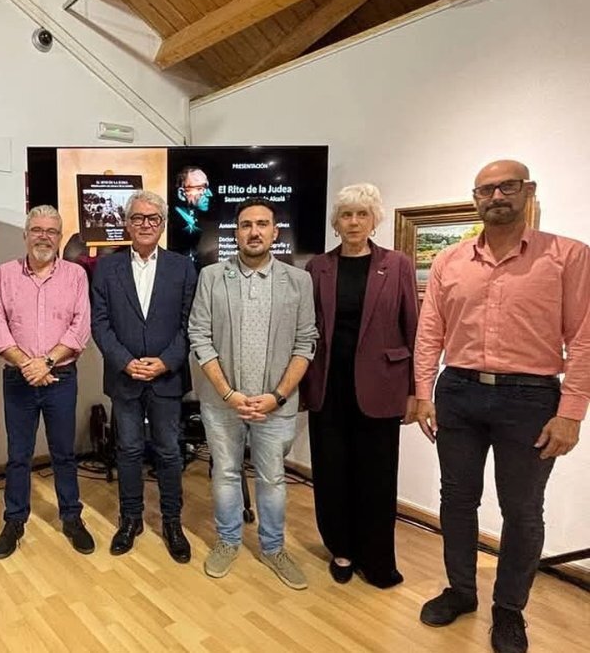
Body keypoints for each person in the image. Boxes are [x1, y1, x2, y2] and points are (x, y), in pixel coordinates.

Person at [415, 160, 589, 653]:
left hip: (532, 398)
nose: (497, 196)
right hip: (460, 392)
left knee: (523, 511)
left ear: (527, 191)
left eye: (507, 186)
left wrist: (571, 411)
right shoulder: (450, 261)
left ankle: (509, 610)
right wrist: (422, 392)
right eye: (486, 189)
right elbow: (431, 332)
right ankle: (460, 591)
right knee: (456, 499)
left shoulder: (568, 256)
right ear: (476, 199)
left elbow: (584, 337)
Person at [188, 198, 317, 587]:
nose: (255, 231)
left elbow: (305, 342)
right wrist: (229, 394)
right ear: (236, 233)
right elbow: (200, 335)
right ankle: (227, 541)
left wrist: (276, 396)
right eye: (246, 225)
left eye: (263, 224)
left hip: (275, 405)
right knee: (225, 473)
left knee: (273, 478)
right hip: (222, 401)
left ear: (275, 232)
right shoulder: (211, 277)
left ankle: (274, 548)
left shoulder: (299, 282)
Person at [300, 183, 418, 588]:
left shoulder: (397, 264)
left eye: (361, 215)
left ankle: (378, 558)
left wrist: (418, 392)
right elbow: (307, 330)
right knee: (332, 473)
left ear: (374, 220)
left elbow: (413, 327)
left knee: (378, 476)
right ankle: (342, 550)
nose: (353, 222)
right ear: (337, 222)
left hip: (382, 387)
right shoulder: (318, 267)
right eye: (346, 215)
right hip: (328, 388)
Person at [90, 190, 197, 562]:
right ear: (126, 223)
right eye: (138, 218)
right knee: (129, 450)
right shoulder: (107, 267)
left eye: (153, 219)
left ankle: (171, 522)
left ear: (163, 224)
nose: (145, 224)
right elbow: (99, 323)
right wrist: (124, 361)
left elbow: (190, 325)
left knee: (169, 452)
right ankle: (130, 518)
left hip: (167, 377)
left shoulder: (183, 267)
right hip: (125, 377)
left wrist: (166, 361)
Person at [0, 205, 94, 559]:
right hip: (18, 379)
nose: (44, 236)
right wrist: (28, 365)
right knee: (18, 455)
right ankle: (15, 520)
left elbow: (80, 327)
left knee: (64, 453)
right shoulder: (4, 275)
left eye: (51, 231)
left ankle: (71, 517)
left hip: (61, 377)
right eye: (37, 229)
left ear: (60, 238)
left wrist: (46, 362)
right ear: (26, 234)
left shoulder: (76, 276)